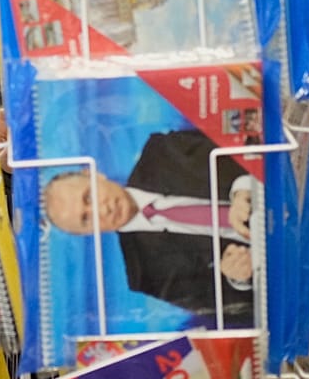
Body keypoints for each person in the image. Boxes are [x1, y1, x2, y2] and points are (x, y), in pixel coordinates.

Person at [41, 129, 256, 326]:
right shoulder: (146, 276)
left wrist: (243, 189)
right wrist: (237, 278)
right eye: (86, 219)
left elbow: (244, 139)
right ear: (87, 234)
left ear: (95, 176)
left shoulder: (161, 151)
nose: (101, 211)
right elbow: (236, 309)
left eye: (89, 197)